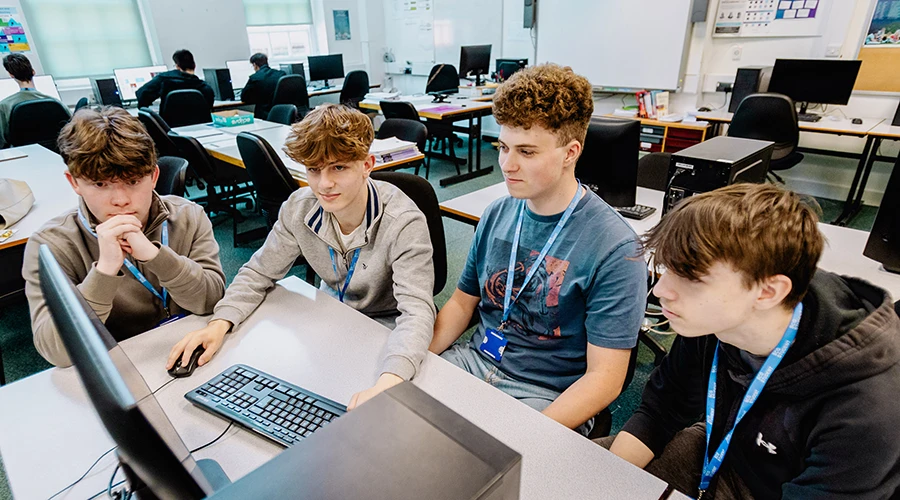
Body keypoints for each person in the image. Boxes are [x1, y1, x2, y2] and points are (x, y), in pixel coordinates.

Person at [603, 184, 900, 499]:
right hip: (726, 449)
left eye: (690, 277)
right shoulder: (714, 319)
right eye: (667, 270)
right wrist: (602, 485)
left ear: (768, 292)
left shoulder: (868, 409)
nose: (661, 292)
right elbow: (661, 410)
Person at [167, 103, 436, 409]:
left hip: (386, 325)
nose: (324, 184)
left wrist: (392, 379)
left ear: (367, 165)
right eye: (314, 170)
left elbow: (416, 311)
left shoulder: (402, 221)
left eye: (339, 167)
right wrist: (218, 324)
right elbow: (258, 273)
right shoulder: (299, 208)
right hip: (329, 315)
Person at [428, 63, 648, 436]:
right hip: (475, 360)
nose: (506, 165)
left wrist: (533, 435)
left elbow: (605, 377)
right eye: (503, 147)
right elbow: (462, 304)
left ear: (570, 152)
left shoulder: (616, 248)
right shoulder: (498, 213)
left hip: (545, 393)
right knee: (396, 419)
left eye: (526, 152)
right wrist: (415, 362)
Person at [23, 107, 226, 367]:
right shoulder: (49, 245)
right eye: (100, 184)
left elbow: (211, 301)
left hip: (190, 354)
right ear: (74, 182)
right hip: (114, 367)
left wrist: (157, 257)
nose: (120, 201)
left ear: (153, 176)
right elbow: (59, 352)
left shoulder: (188, 216)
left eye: (133, 181)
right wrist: (104, 272)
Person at [0, 53, 67, 148]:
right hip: (58, 153)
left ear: (11, 75)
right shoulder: (55, 102)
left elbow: (2, 140)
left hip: (23, 156)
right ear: (33, 72)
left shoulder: (4, 106)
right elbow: (71, 128)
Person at [136, 49, 214, 109]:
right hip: (200, 127)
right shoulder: (205, 88)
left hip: (169, 128)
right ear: (194, 65)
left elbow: (141, 94)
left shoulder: (164, 79)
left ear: (177, 67)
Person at [240, 52, 286, 119]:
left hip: (264, 115)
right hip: (282, 112)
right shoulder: (281, 74)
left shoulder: (255, 78)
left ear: (255, 65)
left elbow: (244, 97)